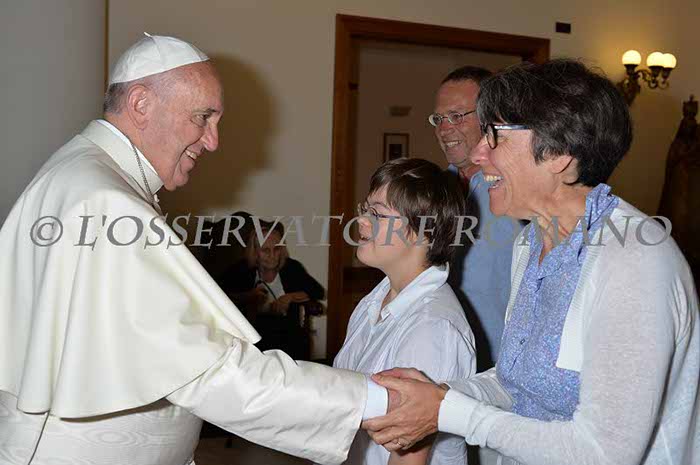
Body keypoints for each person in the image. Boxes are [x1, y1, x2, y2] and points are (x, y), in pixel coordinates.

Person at [0, 33, 386, 465]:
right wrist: (372, 400)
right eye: (203, 117)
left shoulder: (82, 174)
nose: (213, 141)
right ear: (141, 104)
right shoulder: (105, 201)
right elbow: (208, 373)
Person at [362, 59, 699, 465]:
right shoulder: (530, 243)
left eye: (495, 136)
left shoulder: (634, 259)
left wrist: (447, 412)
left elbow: (604, 452)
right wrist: (441, 395)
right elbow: (516, 382)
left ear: (559, 153)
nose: (479, 153)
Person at [334, 158, 475, 465]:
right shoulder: (373, 301)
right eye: (365, 209)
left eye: (377, 214)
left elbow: (408, 456)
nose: (361, 222)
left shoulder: (432, 327)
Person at [429, 66, 521, 368]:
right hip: (438, 361)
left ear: (490, 118)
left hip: (499, 368)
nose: (444, 129)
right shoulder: (430, 192)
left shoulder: (519, 193)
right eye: (439, 119)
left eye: (456, 116)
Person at [218, 220, 325, 358]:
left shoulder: (291, 268)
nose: (272, 256)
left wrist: (290, 297)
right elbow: (218, 294)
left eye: (277, 249)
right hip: (252, 334)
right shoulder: (241, 270)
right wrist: (248, 296)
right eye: (266, 250)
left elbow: (318, 292)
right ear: (255, 252)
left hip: (287, 334)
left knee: (296, 341)